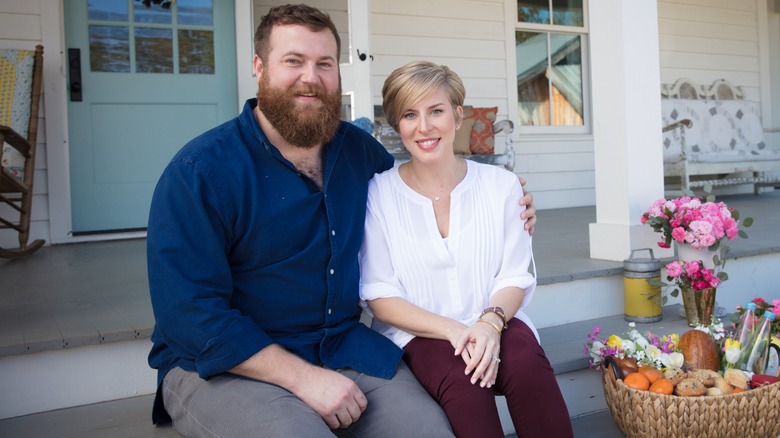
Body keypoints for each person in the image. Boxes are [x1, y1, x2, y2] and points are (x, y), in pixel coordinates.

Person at [146, 5, 537, 437]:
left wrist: (505, 203)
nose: (310, 78)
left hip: (341, 347)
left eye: (324, 64)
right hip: (225, 365)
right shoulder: (200, 171)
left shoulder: (359, 153)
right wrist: (302, 378)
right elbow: (189, 314)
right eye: (293, 61)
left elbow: (421, 196)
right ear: (259, 67)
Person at [359, 61, 573, 438]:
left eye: (436, 111)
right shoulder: (377, 193)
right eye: (410, 114)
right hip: (419, 332)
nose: (424, 127)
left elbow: (514, 275)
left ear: (458, 116)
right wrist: (456, 331)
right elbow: (380, 294)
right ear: (397, 125)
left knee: (524, 362)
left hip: (496, 316)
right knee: (464, 381)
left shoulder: (502, 187)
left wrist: (489, 323)